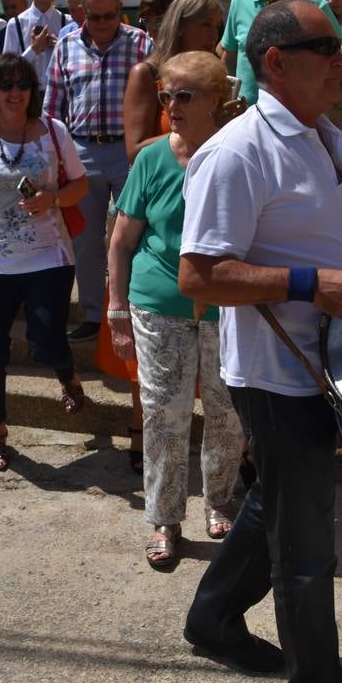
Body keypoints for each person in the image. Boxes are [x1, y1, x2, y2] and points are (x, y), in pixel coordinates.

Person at [179, 0, 342, 683]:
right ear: (276, 64)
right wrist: (313, 285)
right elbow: (201, 274)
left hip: (324, 364)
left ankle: (213, 617)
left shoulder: (316, 134)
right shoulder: (236, 153)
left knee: (280, 503)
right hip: (276, 375)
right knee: (306, 548)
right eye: (329, 47)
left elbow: (320, 241)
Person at [107, 51, 245, 570]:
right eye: (166, 95)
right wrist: (117, 309)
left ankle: (218, 499)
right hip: (158, 304)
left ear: (217, 101)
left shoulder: (238, 156)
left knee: (226, 413)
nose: (171, 106)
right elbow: (122, 241)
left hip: (226, 308)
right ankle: (164, 519)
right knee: (164, 416)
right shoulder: (152, 159)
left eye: (184, 96)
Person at [0, 53, 91, 472]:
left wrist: (53, 198)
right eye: (6, 84)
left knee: (46, 340)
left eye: (23, 84)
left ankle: (68, 376)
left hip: (49, 254)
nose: (15, 92)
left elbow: (80, 185)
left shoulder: (53, 131)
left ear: (33, 91)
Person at [44, 0, 153, 342]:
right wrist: (55, 156)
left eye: (110, 16)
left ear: (120, 11)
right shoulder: (65, 45)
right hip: (82, 151)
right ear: (82, 13)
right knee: (85, 238)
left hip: (129, 151)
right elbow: (53, 106)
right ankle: (92, 312)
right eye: (95, 16)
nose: (104, 23)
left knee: (133, 234)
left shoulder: (141, 44)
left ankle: (136, 309)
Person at [220, 0, 342, 108]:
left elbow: (338, 57)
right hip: (246, 116)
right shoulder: (239, 0)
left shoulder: (315, 6)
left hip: (298, 116)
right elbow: (230, 56)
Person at [123, 0, 224, 163]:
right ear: (180, 28)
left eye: (217, 26)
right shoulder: (147, 74)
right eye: (206, 25)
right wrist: (196, 129)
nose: (214, 35)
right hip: (165, 182)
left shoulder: (212, 73)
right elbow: (135, 151)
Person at [4, 0, 65, 86]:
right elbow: (6, 70)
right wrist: (33, 50)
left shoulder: (67, 22)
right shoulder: (15, 25)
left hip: (58, 96)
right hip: (26, 97)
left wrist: (61, 48)